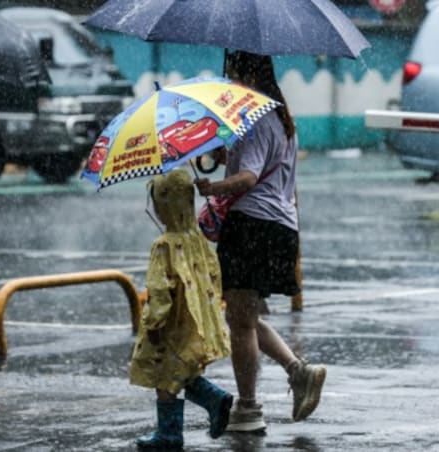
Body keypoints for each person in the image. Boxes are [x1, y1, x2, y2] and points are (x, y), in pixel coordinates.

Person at [194, 50, 326, 432]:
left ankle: (248, 409)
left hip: (252, 224)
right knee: (244, 317)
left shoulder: (254, 118)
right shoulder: (281, 116)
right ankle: (298, 372)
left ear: (245, 73)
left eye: (233, 72)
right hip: (279, 226)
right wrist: (224, 152)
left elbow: (249, 178)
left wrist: (212, 186)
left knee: (240, 322)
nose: (230, 80)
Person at [131, 170, 233, 451]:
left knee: (164, 373)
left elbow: (160, 290)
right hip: (194, 319)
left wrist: (154, 324)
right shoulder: (196, 239)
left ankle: (170, 433)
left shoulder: (163, 245)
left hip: (170, 323)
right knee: (181, 369)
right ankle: (213, 399)